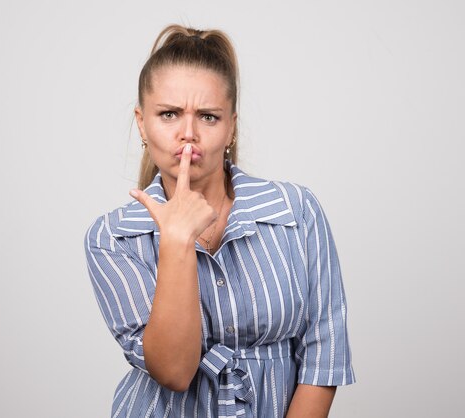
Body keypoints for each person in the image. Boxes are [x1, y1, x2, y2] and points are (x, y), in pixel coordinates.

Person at [83, 24, 355, 418]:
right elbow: (174, 370)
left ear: (230, 126)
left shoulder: (296, 211)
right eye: (169, 114)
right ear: (142, 123)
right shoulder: (112, 238)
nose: (188, 135)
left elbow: (324, 352)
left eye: (208, 117)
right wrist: (176, 239)